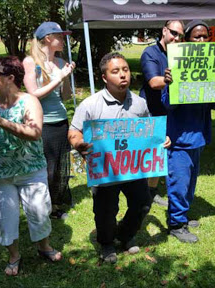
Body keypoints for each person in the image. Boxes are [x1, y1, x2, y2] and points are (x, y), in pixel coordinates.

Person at [68, 52, 170, 264]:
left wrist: (161, 140)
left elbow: (148, 131)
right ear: (105, 78)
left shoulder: (140, 103)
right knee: (105, 211)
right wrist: (79, 143)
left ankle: (125, 234)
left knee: (143, 203)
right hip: (105, 171)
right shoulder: (90, 105)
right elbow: (74, 132)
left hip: (134, 170)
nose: (123, 75)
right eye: (116, 71)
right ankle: (106, 242)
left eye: (125, 70)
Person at [0, 57, 62, 276]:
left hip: (31, 170)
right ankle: (13, 255)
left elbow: (35, 132)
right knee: (5, 217)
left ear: (10, 78)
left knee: (39, 211)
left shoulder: (29, 101)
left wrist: (2, 123)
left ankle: (43, 247)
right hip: (1, 173)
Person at [162, 20, 215, 243]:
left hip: (198, 137)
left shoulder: (210, 68)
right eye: (196, 37)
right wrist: (171, 84)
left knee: (190, 184)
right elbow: (168, 105)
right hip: (179, 138)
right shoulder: (175, 66)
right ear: (187, 40)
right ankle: (176, 224)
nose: (200, 40)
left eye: (204, 36)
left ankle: (183, 216)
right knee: (178, 183)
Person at [23, 22, 75, 219]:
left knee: (60, 166)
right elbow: (33, 94)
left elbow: (67, 97)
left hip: (61, 120)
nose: (63, 40)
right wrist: (58, 79)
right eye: (59, 36)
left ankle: (54, 205)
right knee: (47, 168)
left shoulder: (60, 63)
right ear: (47, 38)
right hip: (43, 123)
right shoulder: (30, 62)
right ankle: (41, 207)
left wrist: (67, 78)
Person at [140, 20, 185, 207]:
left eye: (180, 35)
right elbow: (153, 82)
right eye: (174, 33)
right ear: (164, 30)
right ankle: (147, 192)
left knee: (164, 150)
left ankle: (153, 190)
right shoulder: (150, 53)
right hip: (152, 110)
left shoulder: (181, 53)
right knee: (153, 153)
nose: (176, 38)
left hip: (172, 111)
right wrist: (171, 79)